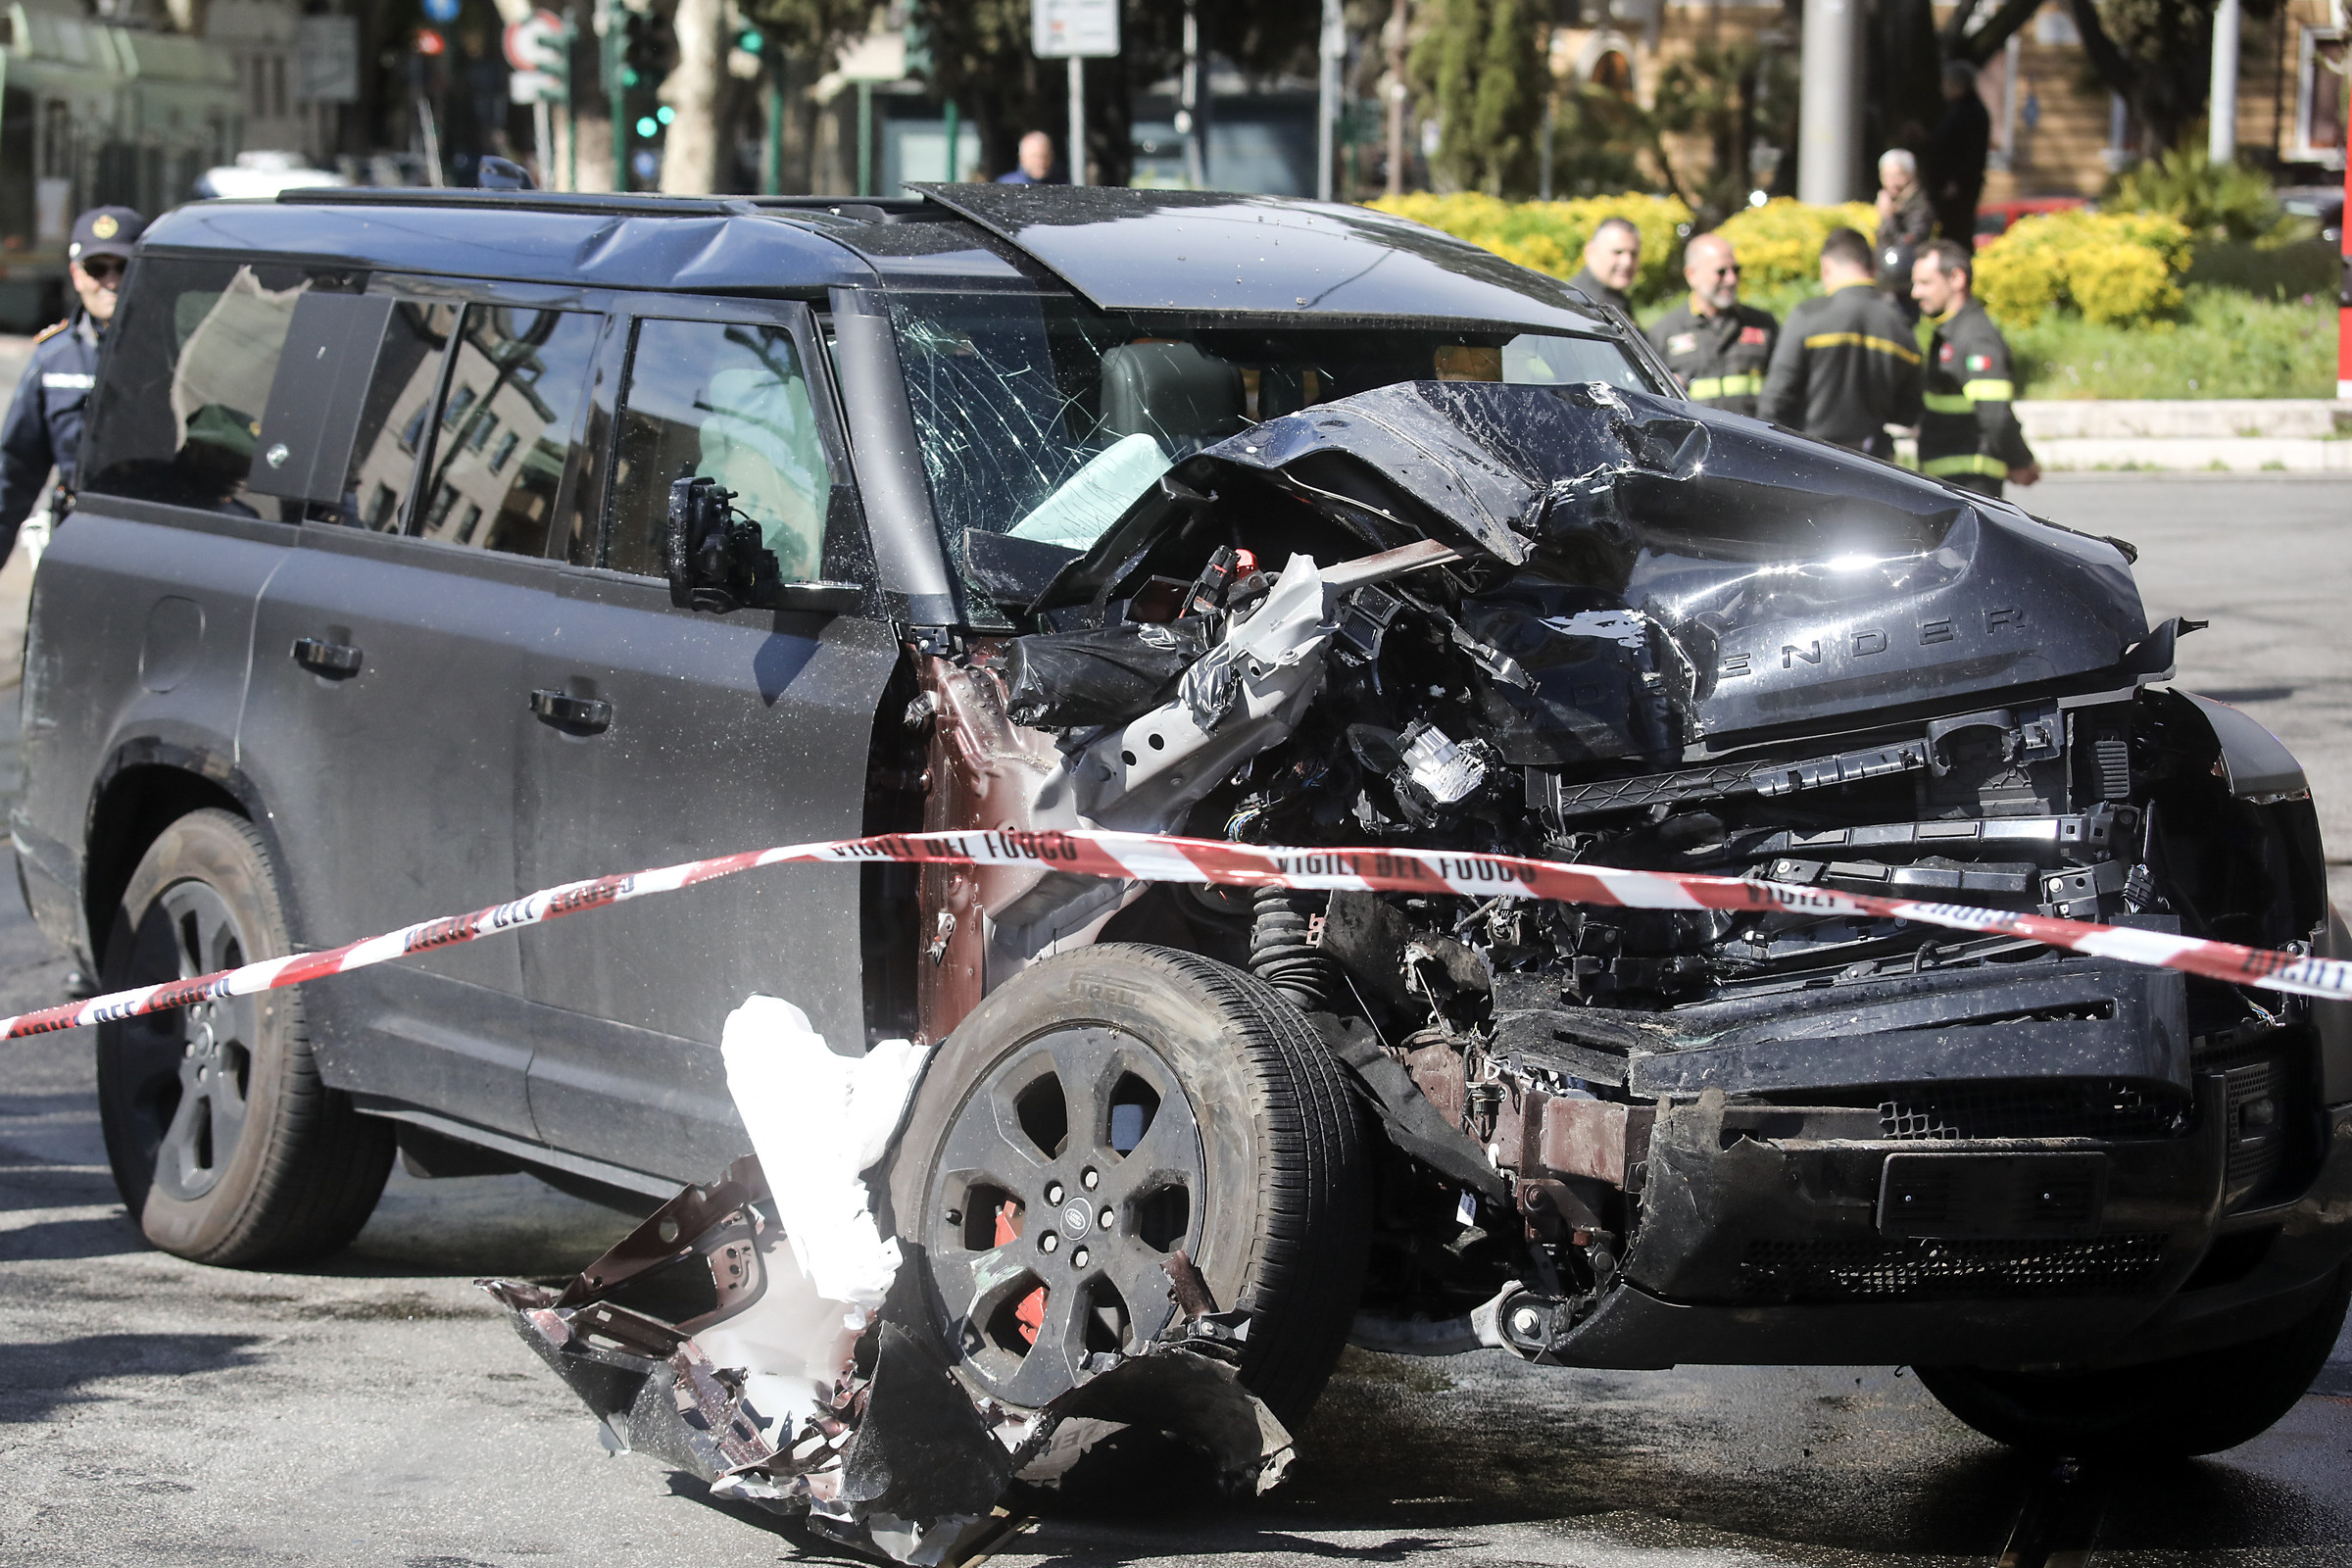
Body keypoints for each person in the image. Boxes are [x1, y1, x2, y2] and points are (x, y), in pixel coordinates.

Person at [0, 206, 145, 554]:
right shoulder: (53, 357)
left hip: (152, 538)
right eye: (97, 268)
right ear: (76, 275)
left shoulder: (177, 352)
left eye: (122, 267)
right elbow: (17, 469)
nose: (110, 281)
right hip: (77, 539)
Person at [1760, 225, 1922, 459]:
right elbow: (1909, 412)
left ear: (1826, 266)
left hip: (1812, 461)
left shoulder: (1807, 316)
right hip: (1876, 467)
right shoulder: (1901, 327)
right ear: (1873, 267)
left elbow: (1776, 399)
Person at [1911, 238, 2036, 495]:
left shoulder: (1976, 338)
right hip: (1948, 484)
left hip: (1972, 485)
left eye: (1925, 283)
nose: (1915, 293)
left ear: (1956, 279)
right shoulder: (1949, 333)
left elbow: (1995, 413)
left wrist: (2019, 461)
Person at [1644, 231, 1778, 417]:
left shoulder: (1763, 325)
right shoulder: (1664, 333)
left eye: (1736, 270)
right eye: (1721, 272)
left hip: (1754, 442)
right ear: (1692, 275)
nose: (1731, 280)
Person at [1924, 61, 1992, 254]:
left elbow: (1972, 154)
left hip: (1957, 191)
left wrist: (1956, 183)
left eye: (1947, 82)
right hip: (1947, 188)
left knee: (1957, 234)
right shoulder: (1957, 110)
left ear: (1958, 84)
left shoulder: (1972, 112)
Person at [1874, 148, 1936, 309]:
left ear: (1911, 175)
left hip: (1903, 287)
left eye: (1897, 175)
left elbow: (1904, 248)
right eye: (1886, 176)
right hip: (1884, 282)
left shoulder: (1919, 207)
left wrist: (1888, 218)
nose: (1892, 182)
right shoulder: (1892, 202)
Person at [1568, 217, 1641, 318]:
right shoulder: (1584, 304)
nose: (1627, 262)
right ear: (1591, 252)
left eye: (1634, 254)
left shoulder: (1614, 297)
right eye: (1618, 252)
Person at [995, 130, 1061, 185]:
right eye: (1035, 156)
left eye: (1045, 156)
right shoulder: (1007, 186)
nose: (1040, 162)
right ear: (1022, 158)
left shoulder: (1061, 185)